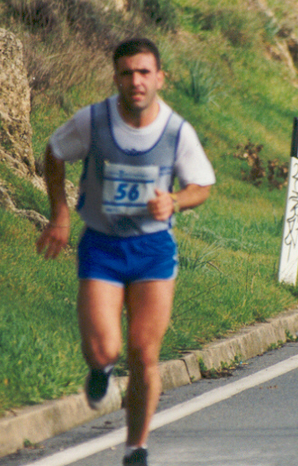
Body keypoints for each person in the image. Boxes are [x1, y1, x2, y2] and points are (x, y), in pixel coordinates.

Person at [36, 37, 215, 465]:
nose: (136, 81)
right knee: (104, 351)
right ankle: (99, 371)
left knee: (143, 352)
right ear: (116, 77)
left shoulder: (176, 130)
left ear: (160, 78)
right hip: (101, 245)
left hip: (153, 249)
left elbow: (201, 186)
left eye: (144, 72)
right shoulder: (93, 120)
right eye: (127, 73)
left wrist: (174, 200)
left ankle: (136, 447)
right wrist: (60, 214)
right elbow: (54, 153)